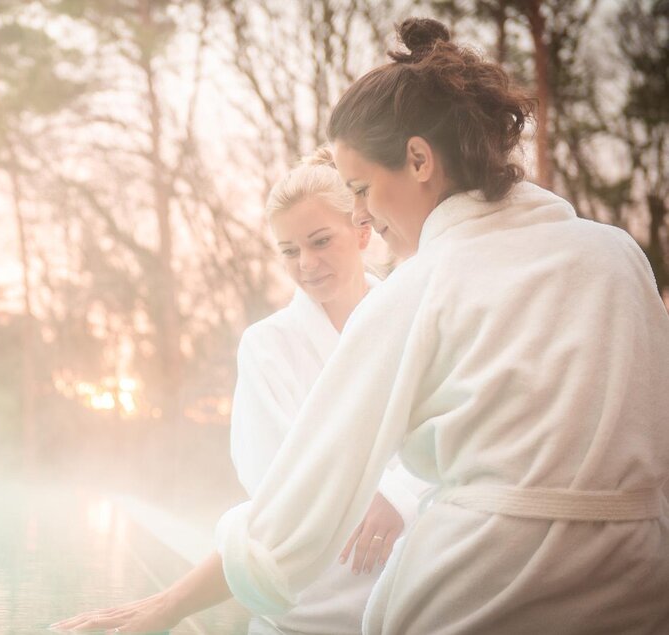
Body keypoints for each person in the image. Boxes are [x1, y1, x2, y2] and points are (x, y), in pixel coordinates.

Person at [215, 18, 669, 634]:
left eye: (362, 189)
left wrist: (164, 610)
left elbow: (288, 522)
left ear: (419, 159)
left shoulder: (418, 287)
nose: (363, 215)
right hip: (638, 589)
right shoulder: (619, 256)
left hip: (475, 593)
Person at [52, 149, 425, 634]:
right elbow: (283, 491)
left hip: (408, 595)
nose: (306, 264)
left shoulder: (413, 320)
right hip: (305, 606)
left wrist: (398, 495)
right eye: (289, 251)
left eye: (320, 241)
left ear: (360, 231)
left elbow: (455, 445)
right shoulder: (267, 347)